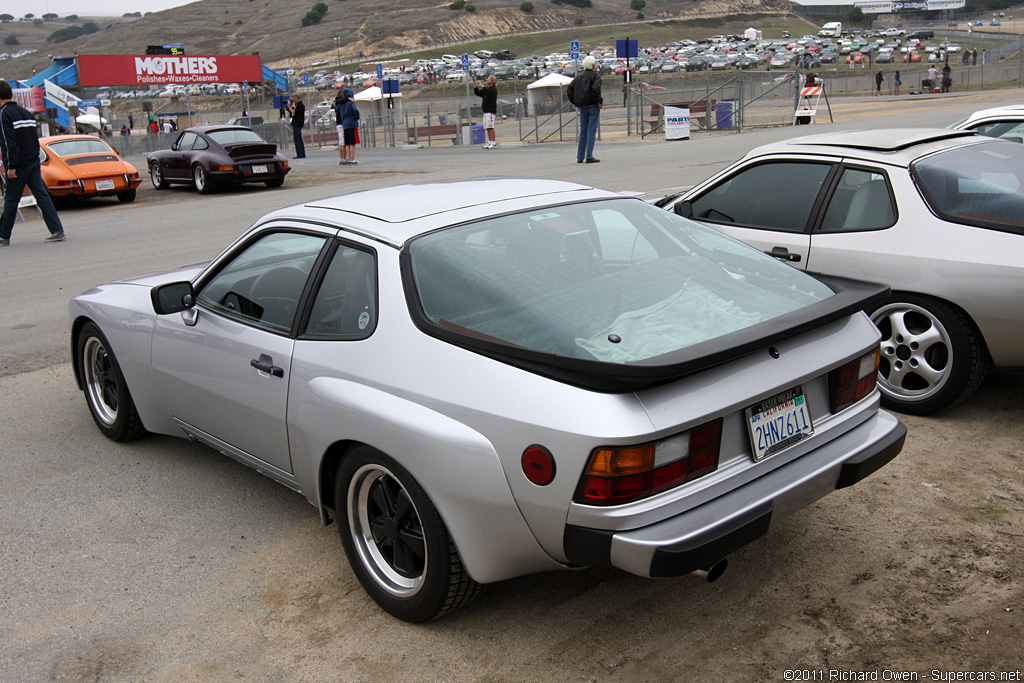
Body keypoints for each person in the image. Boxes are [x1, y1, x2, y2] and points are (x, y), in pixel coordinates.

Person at [0, 80, 66, 246]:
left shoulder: (3, 114)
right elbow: (32, 139)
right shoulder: (25, 112)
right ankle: (57, 229)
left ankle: (3, 236)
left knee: (11, 200)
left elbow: (9, 143)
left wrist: (11, 166)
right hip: (33, 161)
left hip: (19, 164)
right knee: (42, 196)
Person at [566, 55, 603, 164]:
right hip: (593, 106)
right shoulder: (595, 76)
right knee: (591, 131)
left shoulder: (578, 77)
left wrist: (575, 101)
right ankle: (589, 155)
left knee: (583, 132)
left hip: (582, 107)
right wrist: (598, 102)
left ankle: (580, 156)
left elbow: (570, 89)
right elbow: (596, 89)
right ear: (593, 65)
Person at [473, 75, 498, 149]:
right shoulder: (486, 90)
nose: (488, 80)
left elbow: (490, 93)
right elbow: (479, 93)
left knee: (491, 127)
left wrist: (483, 86)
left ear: (492, 81)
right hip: (486, 111)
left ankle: (493, 142)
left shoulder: (493, 89)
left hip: (491, 111)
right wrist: (476, 88)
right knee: (487, 127)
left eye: (489, 79)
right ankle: (490, 141)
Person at [338, 87, 360, 165]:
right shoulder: (352, 103)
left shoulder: (342, 104)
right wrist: (356, 118)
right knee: (352, 143)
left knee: (347, 143)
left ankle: (348, 159)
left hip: (345, 123)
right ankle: (352, 159)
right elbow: (355, 111)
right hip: (352, 123)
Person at [287, 93, 306, 159]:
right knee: (299, 139)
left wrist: (289, 107)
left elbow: (294, 112)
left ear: (296, 99)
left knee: (296, 139)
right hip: (297, 123)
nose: (293, 101)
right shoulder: (297, 105)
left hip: (297, 123)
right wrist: (290, 106)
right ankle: (302, 153)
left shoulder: (300, 105)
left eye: (293, 99)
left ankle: (299, 154)